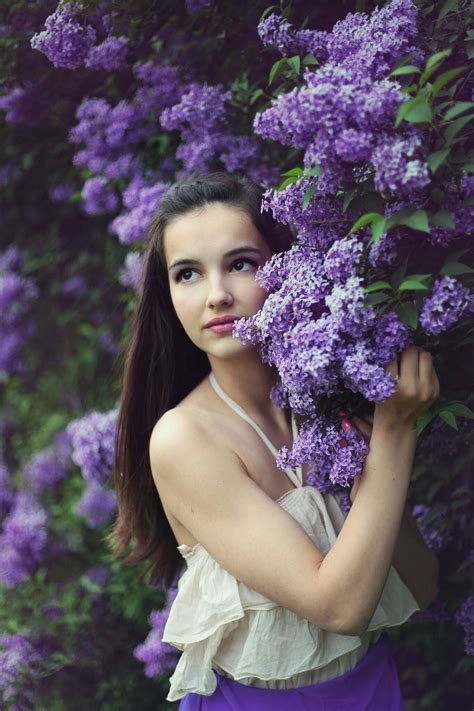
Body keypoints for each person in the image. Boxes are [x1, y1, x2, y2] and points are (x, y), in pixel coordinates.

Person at [109, 172, 440, 710]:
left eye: (241, 264)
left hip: (374, 689)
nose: (216, 295)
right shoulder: (185, 437)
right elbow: (339, 607)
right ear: (167, 295)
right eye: (187, 274)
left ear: (284, 269)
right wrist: (394, 432)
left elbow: (420, 586)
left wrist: (372, 459)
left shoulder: (327, 403)